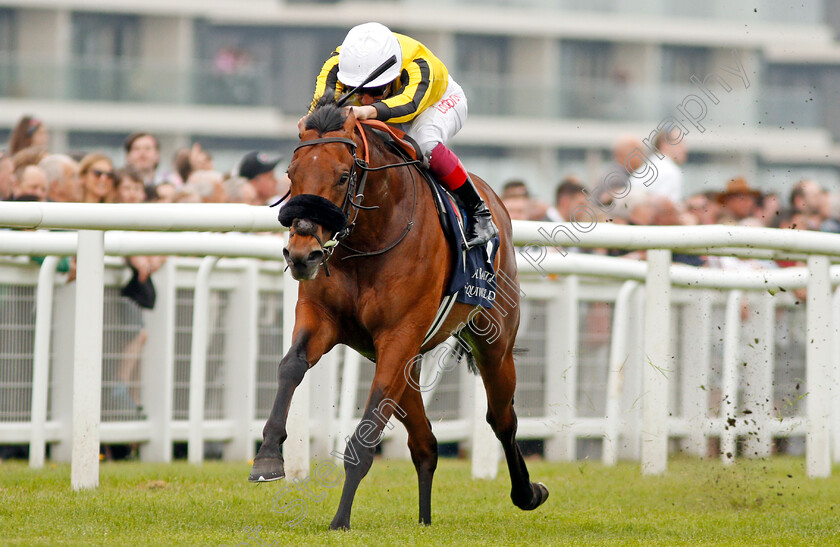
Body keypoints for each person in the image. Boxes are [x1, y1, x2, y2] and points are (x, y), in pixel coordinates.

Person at [302, 22, 497, 249]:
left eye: (375, 91)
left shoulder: (419, 65)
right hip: (393, 104)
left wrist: (366, 110)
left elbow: (409, 106)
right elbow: (320, 108)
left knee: (426, 144)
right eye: (358, 90)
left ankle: (478, 211)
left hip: (434, 103)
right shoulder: (335, 66)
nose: (365, 98)